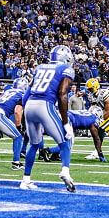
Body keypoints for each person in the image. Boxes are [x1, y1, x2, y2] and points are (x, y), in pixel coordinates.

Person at [20, 45, 78, 193]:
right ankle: (65, 171)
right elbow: (62, 94)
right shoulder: (66, 69)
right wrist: (65, 122)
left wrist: (25, 111)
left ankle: (25, 180)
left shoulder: (40, 67)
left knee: (34, 144)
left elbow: (27, 92)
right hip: (45, 105)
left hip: (30, 105)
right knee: (65, 141)